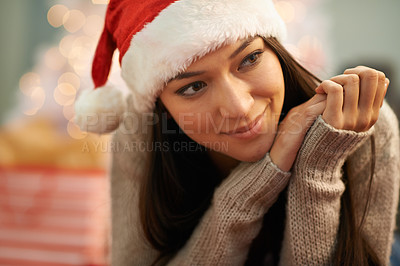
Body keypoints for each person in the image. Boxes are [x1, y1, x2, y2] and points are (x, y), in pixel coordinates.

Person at [74, 0, 400, 265]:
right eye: (193, 86)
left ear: (275, 50)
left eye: (250, 59)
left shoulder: (360, 124)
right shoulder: (141, 136)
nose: (239, 108)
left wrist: (317, 166)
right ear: (161, 105)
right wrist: (254, 186)